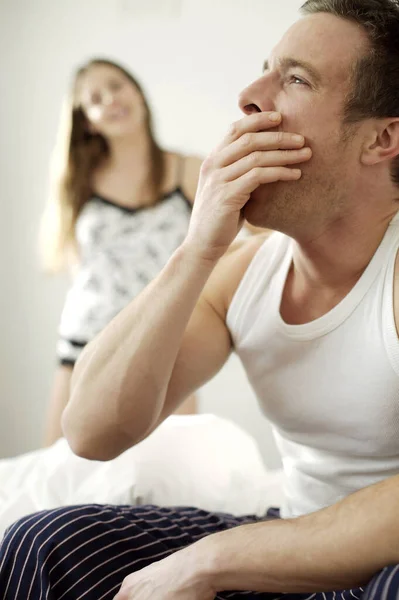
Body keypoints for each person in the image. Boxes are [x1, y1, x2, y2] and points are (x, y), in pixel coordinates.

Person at [2, 0, 399, 598]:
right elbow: (89, 431)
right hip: (291, 536)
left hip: (381, 564)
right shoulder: (242, 276)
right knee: (44, 546)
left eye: (294, 79)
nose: (249, 95)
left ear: (383, 138)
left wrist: (209, 561)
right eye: (265, 69)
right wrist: (195, 252)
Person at [41, 58, 201, 446]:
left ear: (138, 94)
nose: (110, 99)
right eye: (96, 98)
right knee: (58, 474)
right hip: (84, 347)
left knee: (176, 472)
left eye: (117, 85)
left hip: (163, 346)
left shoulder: (191, 171)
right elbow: (79, 267)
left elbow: (247, 237)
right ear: (88, 121)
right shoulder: (78, 182)